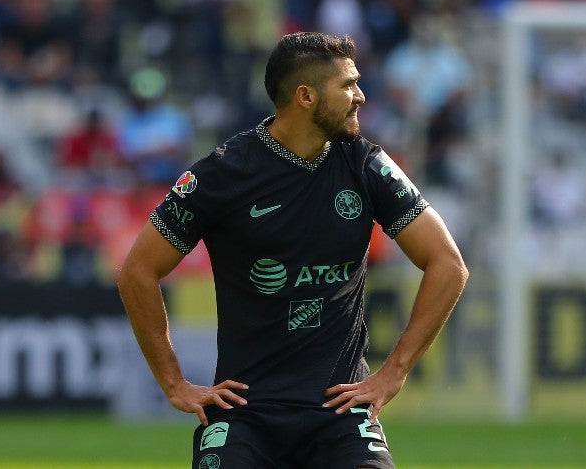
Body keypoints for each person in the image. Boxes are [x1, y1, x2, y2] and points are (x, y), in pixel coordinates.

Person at [116, 32, 468, 468]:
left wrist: (394, 372)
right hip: (245, 413)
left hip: (340, 412)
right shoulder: (224, 173)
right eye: (348, 85)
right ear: (306, 96)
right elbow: (137, 271)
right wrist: (174, 383)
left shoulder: (365, 163)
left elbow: (448, 264)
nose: (360, 96)